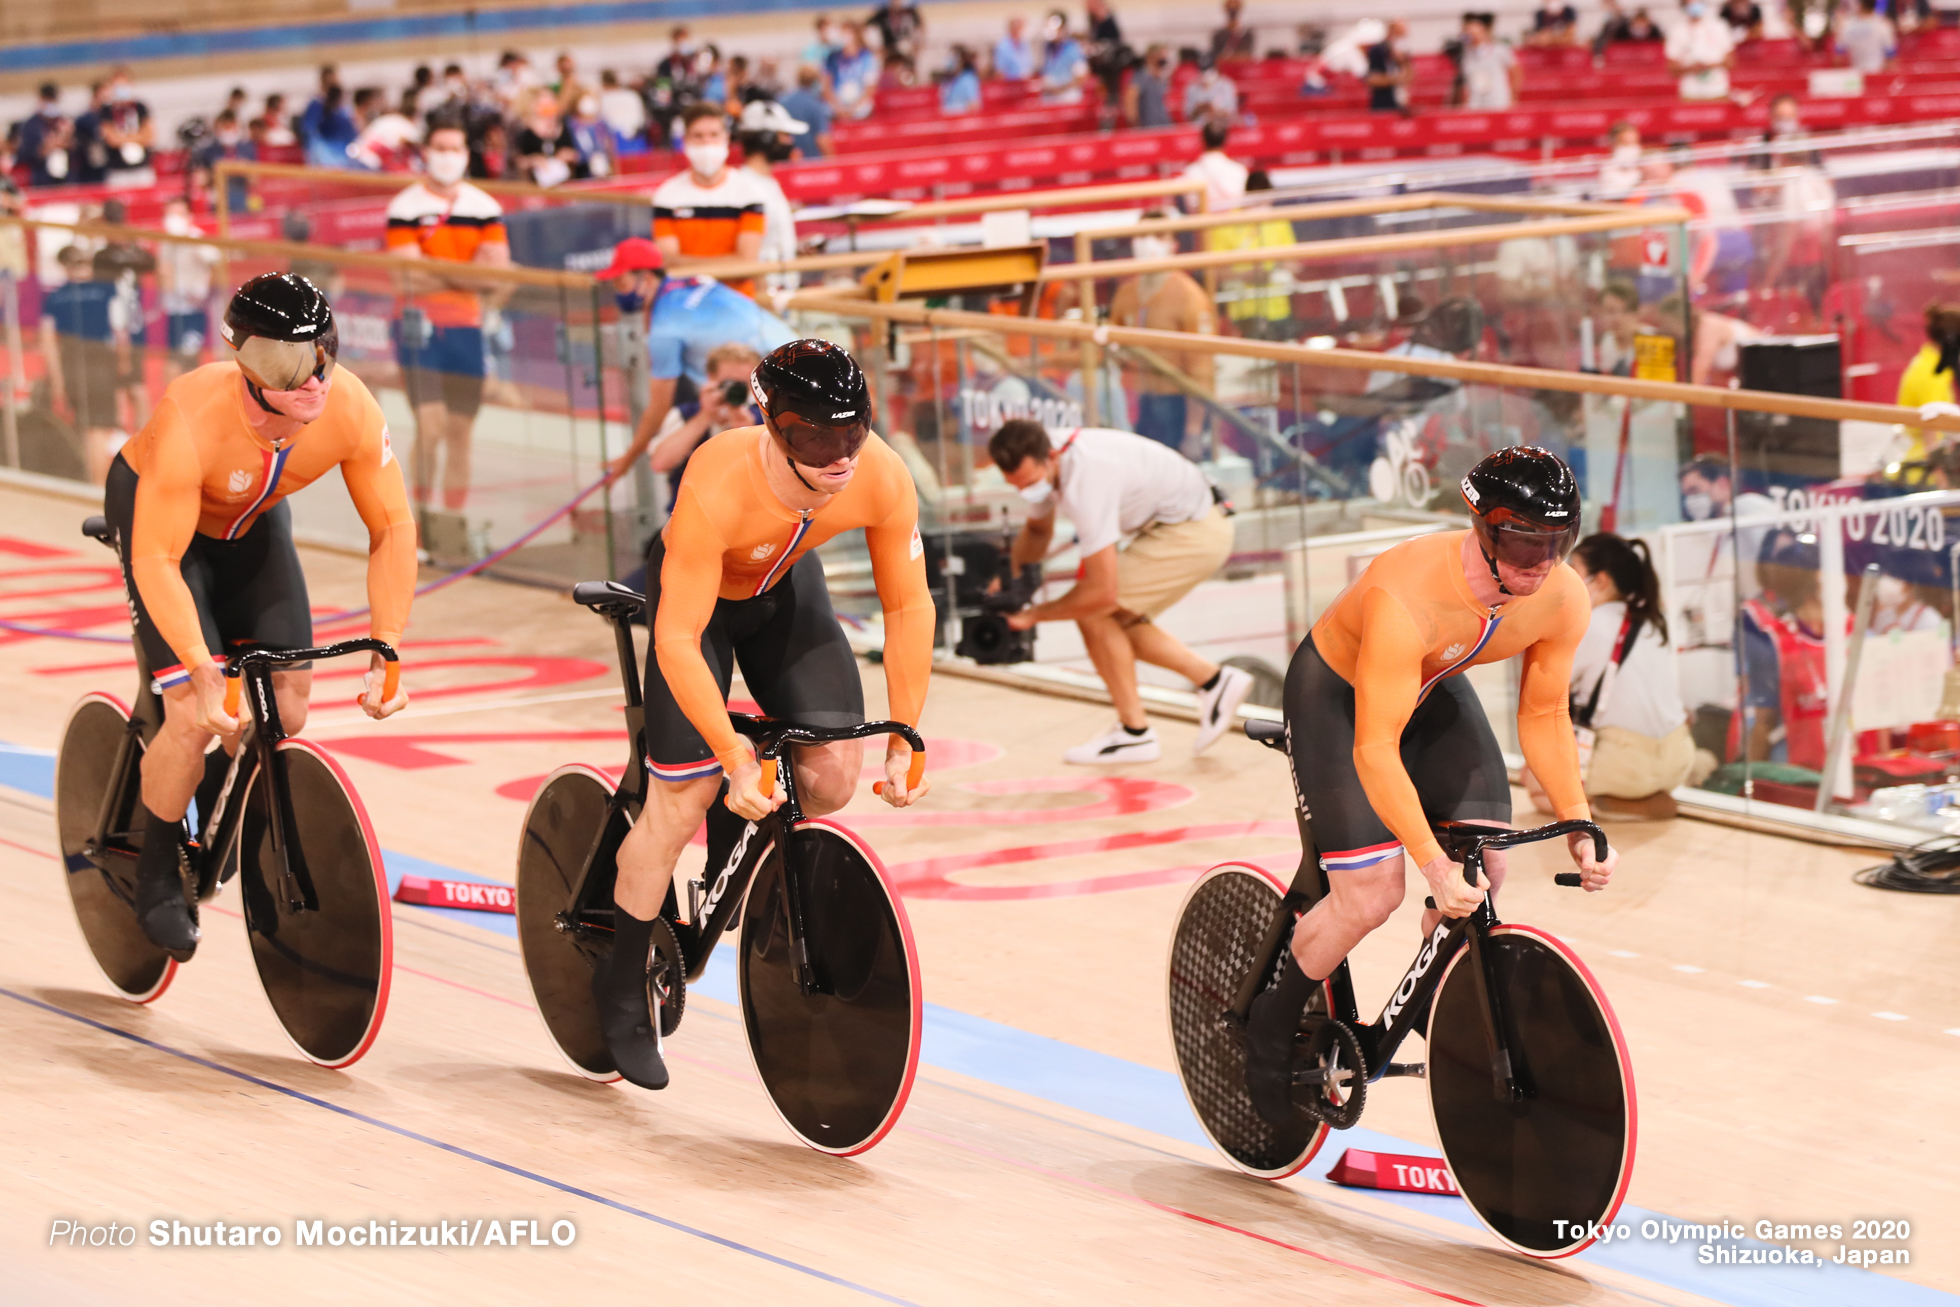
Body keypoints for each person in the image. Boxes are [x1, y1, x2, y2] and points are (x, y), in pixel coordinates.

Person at [591, 339, 933, 1089]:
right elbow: (678, 637)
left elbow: (908, 603)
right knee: (679, 800)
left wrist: (908, 730)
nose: (841, 455)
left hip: (783, 591)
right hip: (701, 607)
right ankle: (618, 985)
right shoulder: (719, 477)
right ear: (773, 426)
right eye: (816, 438)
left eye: (853, 432)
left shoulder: (880, 473)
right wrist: (735, 757)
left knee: (833, 775)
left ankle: (731, 832)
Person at [1241, 447, 1615, 1126]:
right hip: (1340, 697)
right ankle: (1268, 1026)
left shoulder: (1562, 595)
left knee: (1489, 862)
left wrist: (1578, 823)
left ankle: (1437, 999)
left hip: (1430, 683)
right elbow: (1376, 746)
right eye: (1523, 543)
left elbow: (1543, 714)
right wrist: (1430, 864)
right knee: (1374, 892)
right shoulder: (1406, 594)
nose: (1539, 562)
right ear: (1485, 530)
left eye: (1556, 543)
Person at [104, 273, 413, 958]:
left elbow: (392, 527)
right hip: (167, 529)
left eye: (324, 350)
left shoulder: (350, 407)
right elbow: (157, 560)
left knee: (287, 712)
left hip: (250, 524)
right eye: (292, 363)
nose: (315, 377)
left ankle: (210, 806)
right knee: (192, 711)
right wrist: (199, 672)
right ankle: (156, 867)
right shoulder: (196, 413)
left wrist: (386, 644)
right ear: (249, 367)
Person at [990, 420, 1253, 763]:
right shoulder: (1045, 454)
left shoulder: (1087, 479)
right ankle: (1213, 682)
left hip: (1195, 531)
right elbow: (1038, 531)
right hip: (1182, 523)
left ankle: (1136, 733)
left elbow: (1100, 591)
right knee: (1113, 620)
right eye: (1017, 486)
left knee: (1094, 611)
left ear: (1051, 457)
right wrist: (1009, 579)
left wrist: (1033, 615)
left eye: (1031, 482)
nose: (1027, 492)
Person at [384, 109, 512, 513]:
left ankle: (452, 521)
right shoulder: (404, 206)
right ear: (426, 151)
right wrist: (469, 272)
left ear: (465, 153)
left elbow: (496, 275)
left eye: (454, 148)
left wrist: (437, 271)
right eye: (440, 148)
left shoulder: (484, 205)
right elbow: (408, 278)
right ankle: (419, 519)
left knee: (460, 432)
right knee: (430, 426)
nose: (447, 155)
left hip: (465, 327)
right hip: (417, 328)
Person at [1525, 533, 1696, 819]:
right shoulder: (1655, 620)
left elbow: (1545, 687)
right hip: (1678, 753)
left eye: (1573, 572)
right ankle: (1643, 793)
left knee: (1536, 788)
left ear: (1601, 581)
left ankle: (1619, 804)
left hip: (1629, 762)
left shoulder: (1590, 624)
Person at [598, 239, 796, 483]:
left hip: (779, 389)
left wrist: (627, 460)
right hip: (796, 357)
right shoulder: (694, 281)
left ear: (647, 279)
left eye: (621, 282)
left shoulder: (664, 330)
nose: (619, 291)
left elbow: (658, 407)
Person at [1109, 222, 1218, 451]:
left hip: (1175, 404)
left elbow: (1200, 369)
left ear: (1173, 245)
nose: (1148, 242)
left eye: (1158, 235)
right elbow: (1111, 347)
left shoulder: (1188, 296)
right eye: (1142, 235)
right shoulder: (1127, 293)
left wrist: (1193, 430)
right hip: (1140, 401)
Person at [653, 105, 768, 295]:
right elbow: (668, 262)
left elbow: (747, 262)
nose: (706, 142)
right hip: (684, 303)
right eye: (698, 136)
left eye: (714, 135)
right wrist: (729, 263)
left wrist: (689, 266)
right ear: (685, 141)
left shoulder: (750, 192)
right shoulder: (667, 195)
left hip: (738, 303)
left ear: (726, 139)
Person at [643, 342, 765, 508]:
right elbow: (660, 463)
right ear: (711, 378)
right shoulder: (686, 414)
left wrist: (747, 432)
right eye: (728, 383)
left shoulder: (765, 418)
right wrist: (705, 416)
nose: (735, 390)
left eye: (743, 384)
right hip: (693, 514)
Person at [40, 245, 123, 482]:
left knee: (85, 427)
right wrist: (122, 363)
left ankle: (91, 480)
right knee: (97, 428)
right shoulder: (106, 290)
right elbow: (120, 330)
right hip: (101, 363)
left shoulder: (56, 296)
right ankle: (97, 485)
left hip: (72, 365)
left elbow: (47, 342)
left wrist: (57, 380)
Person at [736, 100, 807, 292]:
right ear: (765, 138)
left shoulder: (769, 182)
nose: (789, 142)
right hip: (765, 297)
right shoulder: (743, 187)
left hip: (783, 290)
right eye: (784, 135)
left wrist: (796, 249)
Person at [157, 198, 221, 382]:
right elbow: (164, 270)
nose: (173, 218)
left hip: (193, 311)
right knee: (173, 360)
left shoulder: (196, 239)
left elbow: (215, 264)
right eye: (170, 214)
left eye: (178, 214)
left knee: (188, 362)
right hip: (173, 310)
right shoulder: (166, 242)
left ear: (188, 216)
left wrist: (204, 294)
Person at [1896, 303, 1960, 463]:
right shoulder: (1933, 375)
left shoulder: (1926, 361)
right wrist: (1943, 481)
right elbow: (1931, 437)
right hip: (1922, 470)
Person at [1667, 1, 1737, 101]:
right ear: (1684, 5)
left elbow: (1731, 62)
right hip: (1690, 95)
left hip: (1718, 93)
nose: (1695, 5)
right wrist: (1691, 68)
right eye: (1691, 3)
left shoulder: (1719, 26)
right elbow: (1672, 68)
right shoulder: (1677, 30)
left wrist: (1708, 65)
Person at [1181, 117, 1249, 212]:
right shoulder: (1239, 171)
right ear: (1225, 141)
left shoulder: (1190, 173)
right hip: (1234, 225)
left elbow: (1191, 208)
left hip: (1205, 225)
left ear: (1202, 140)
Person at [1459, 14, 1521, 109]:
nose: (1473, 37)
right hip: (1476, 102)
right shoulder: (1466, 56)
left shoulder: (1500, 50)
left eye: (1475, 33)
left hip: (1498, 101)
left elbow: (1516, 73)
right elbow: (1467, 83)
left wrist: (1512, 97)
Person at [18, 83, 73, 187]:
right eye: (49, 100)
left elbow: (74, 146)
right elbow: (30, 153)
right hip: (42, 179)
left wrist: (66, 135)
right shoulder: (32, 125)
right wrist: (53, 143)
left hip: (66, 177)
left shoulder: (63, 121)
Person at [778, 66, 834, 159]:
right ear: (816, 81)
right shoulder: (817, 105)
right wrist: (833, 162)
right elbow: (822, 138)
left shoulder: (783, 101)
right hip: (811, 163)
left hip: (787, 162)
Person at [827, 22, 880, 120]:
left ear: (855, 35)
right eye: (842, 33)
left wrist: (853, 109)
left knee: (864, 109)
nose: (844, 37)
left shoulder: (866, 57)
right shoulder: (832, 58)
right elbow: (826, 86)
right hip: (837, 106)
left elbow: (870, 88)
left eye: (847, 33)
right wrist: (839, 108)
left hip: (859, 106)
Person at [1039, 11, 1091, 103]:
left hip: (1068, 98)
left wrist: (1061, 89)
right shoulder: (1047, 48)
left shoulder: (1073, 48)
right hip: (1049, 97)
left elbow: (1082, 77)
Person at [1836, 0, 1897, 73]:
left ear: (1860, 5)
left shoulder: (1847, 26)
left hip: (1856, 75)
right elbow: (1891, 58)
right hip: (1876, 74)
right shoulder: (1883, 24)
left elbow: (1837, 58)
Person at [1367, 20, 1414, 113]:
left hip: (1399, 103)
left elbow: (1409, 78)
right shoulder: (1378, 50)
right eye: (1401, 31)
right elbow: (1372, 79)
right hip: (1383, 105)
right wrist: (1397, 79)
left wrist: (1403, 62)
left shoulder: (1402, 52)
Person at [1125, 45, 1175, 128]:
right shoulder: (1142, 76)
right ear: (1151, 57)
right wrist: (1135, 123)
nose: (1163, 59)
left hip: (1164, 125)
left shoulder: (1160, 78)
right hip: (1149, 126)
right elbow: (1130, 97)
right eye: (1160, 56)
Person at [599, 69, 649, 150]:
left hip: (618, 140)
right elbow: (641, 119)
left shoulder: (603, 98)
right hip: (633, 137)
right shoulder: (632, 95)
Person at [941, 46, 984, 114]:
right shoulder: (947, 81)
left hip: (963, 119)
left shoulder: (968, 79)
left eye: (954, 58)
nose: (950, 61)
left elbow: (974, 105)